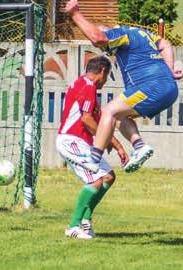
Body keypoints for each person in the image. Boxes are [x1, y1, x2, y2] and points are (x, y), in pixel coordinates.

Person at [63, 0, 183, 174]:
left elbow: (98, 38)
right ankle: (139, 145)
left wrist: (75, 14)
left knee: (107, 112)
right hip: (169, 88)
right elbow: (165, 43)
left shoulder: (120, 34)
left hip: (151, 86)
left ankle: (93, 159)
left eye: (107, 47)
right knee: (119, 116)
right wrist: (170, 69)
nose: (106, 50)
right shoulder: (143, 34)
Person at [57, 55, 129, 239]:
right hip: (72, 140)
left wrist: (117, 145)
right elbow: (86, 119)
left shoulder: (82, 85)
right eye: (108, 76)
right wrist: (105, 142)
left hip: (80, 142)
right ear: (103, 72)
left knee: (108, 177)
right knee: (95, 181)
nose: (105, 81)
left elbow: (98, 122)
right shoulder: (87, 86)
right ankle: (73, 226)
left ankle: (86, 221)